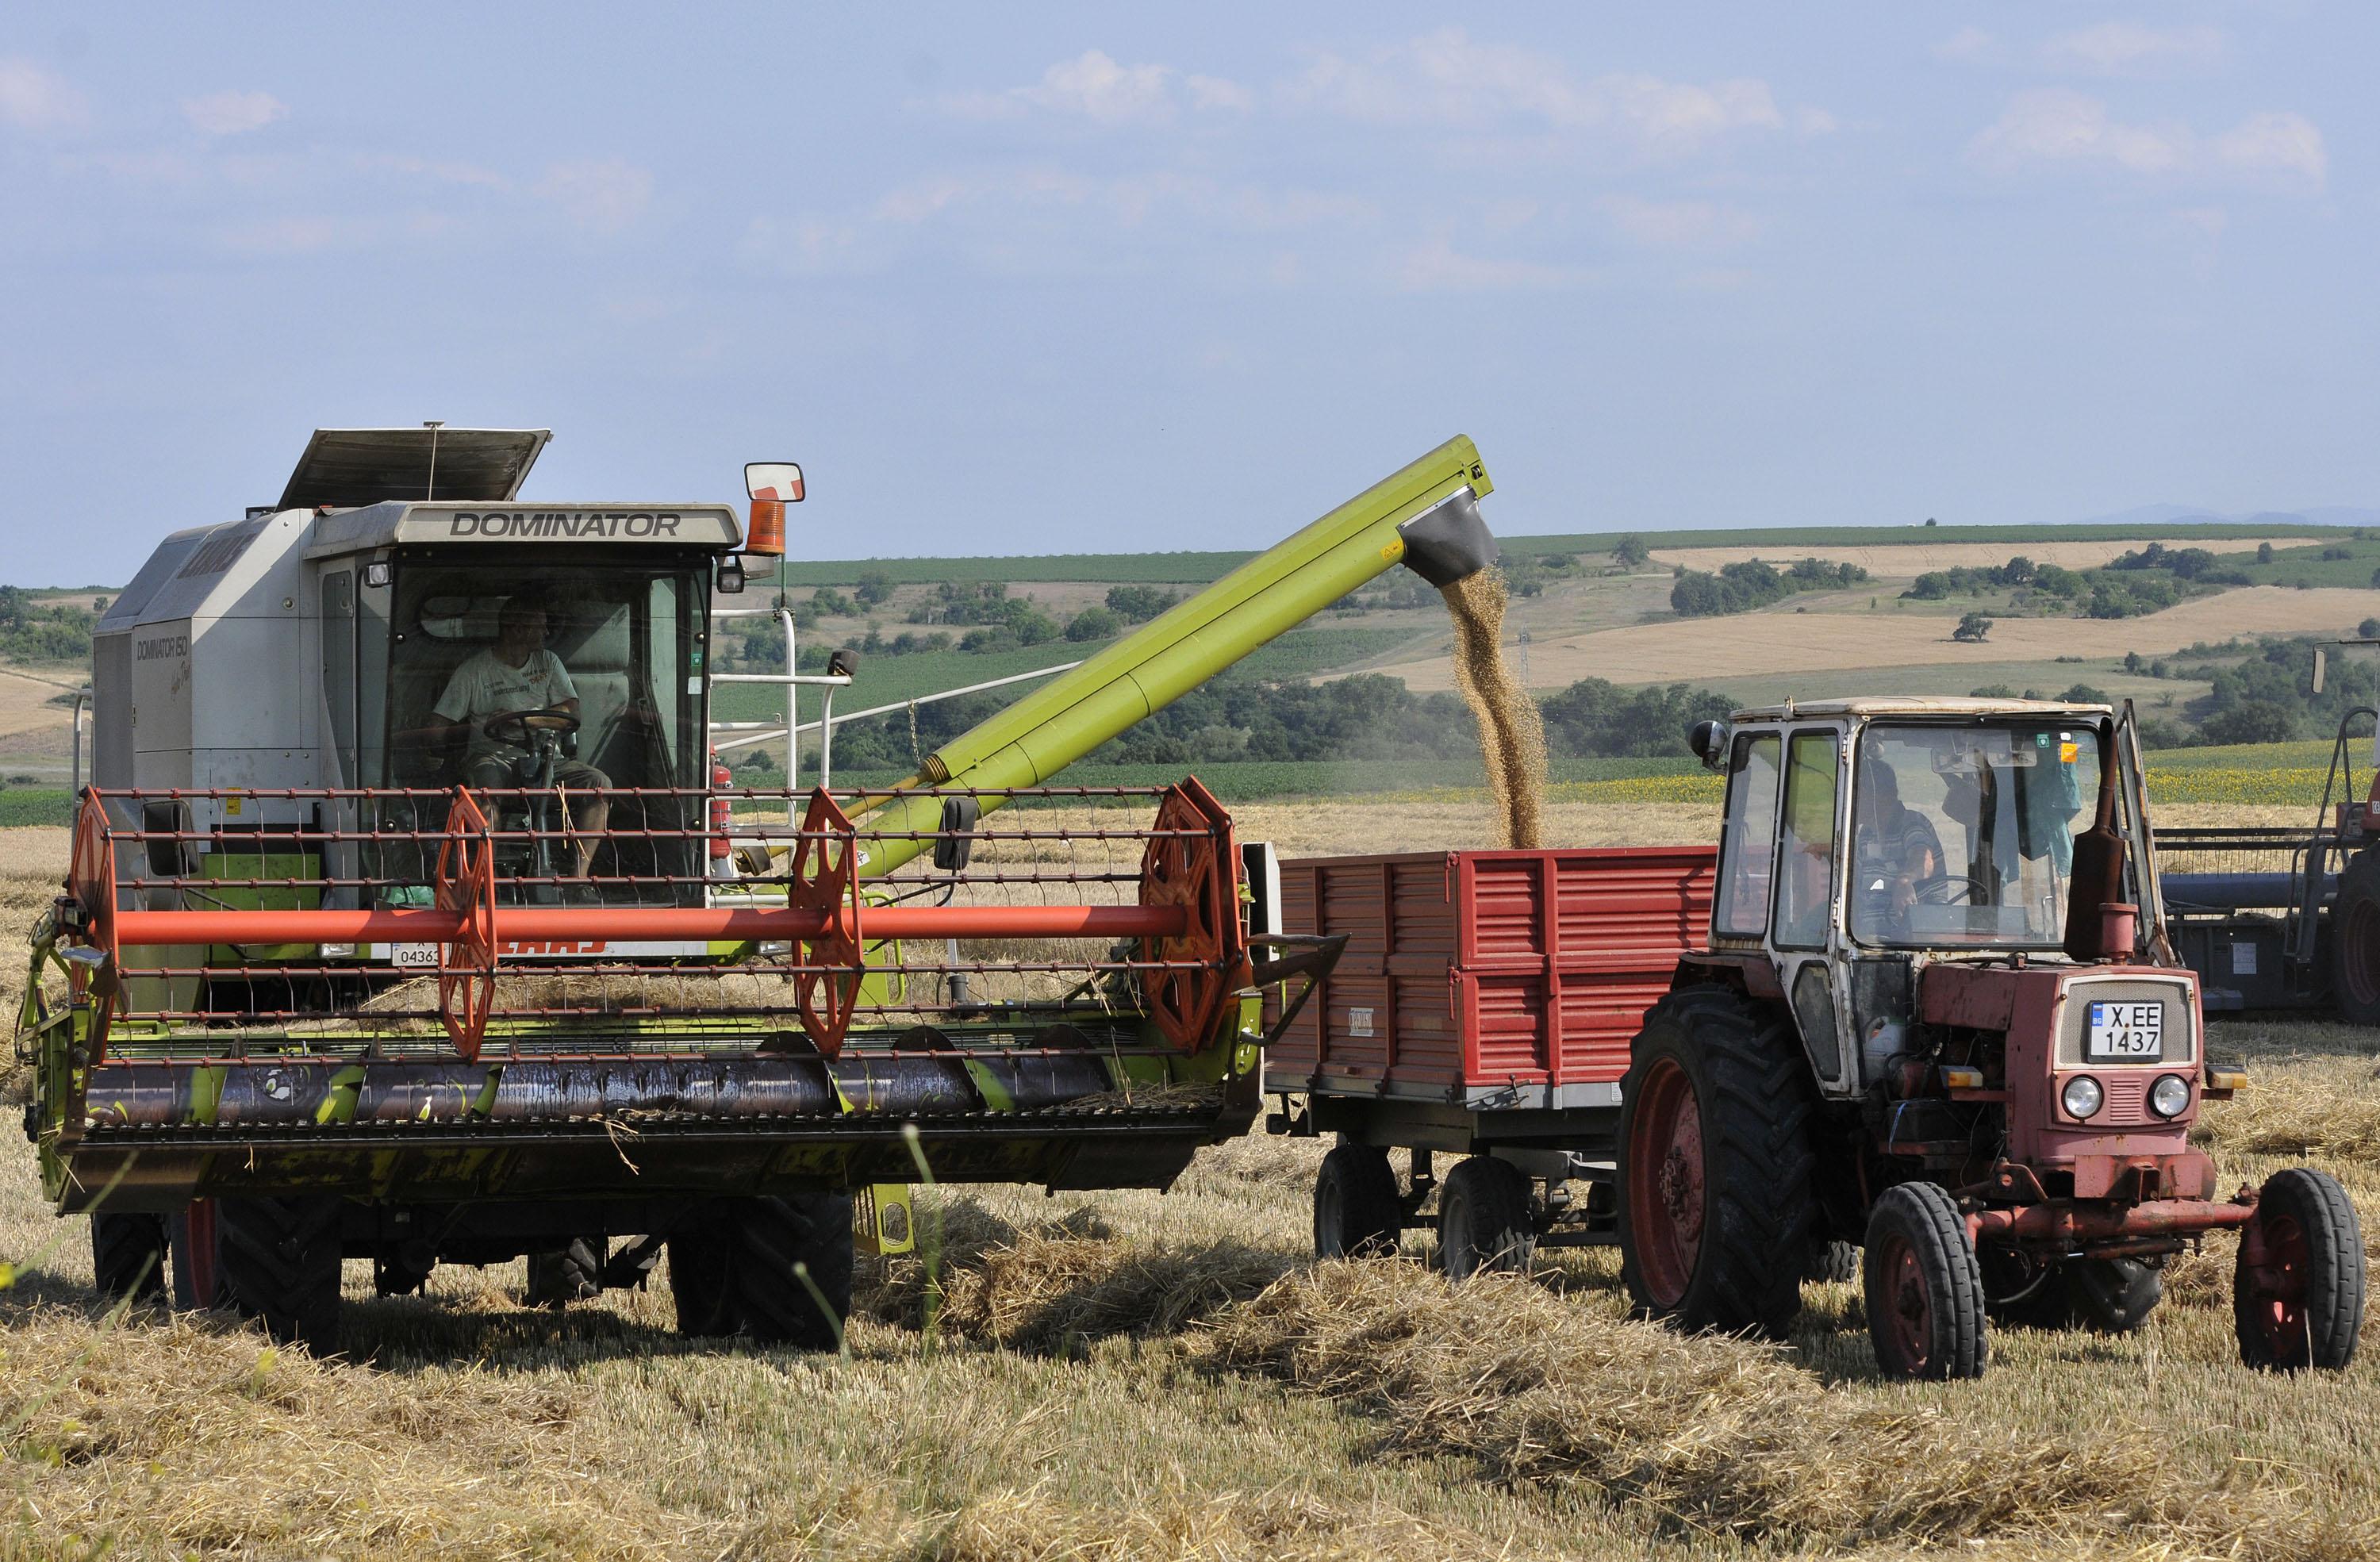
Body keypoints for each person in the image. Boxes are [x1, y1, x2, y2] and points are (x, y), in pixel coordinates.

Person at [430, 595, 611, 877]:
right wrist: (443, 752)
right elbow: (438, 726)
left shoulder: (548, 663)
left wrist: (523, 720)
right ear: (516, 629)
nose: (547, 633)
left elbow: (571, 711)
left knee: (599, 784)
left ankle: (578, 878)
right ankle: (485, 880)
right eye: (540, 626)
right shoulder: (474, 672)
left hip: (548, 759)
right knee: (486, 798)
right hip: (492, 758)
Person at [1857, 756, 1946, 927]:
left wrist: (1905, 880)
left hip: (1913, 938)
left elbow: (1923, 859)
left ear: (1880, 795)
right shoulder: (1866, 834)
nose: (1854, 800)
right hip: (1868, 937)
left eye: (1858, 793)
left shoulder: (1911, 823)